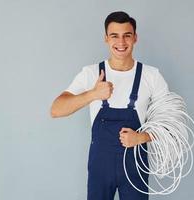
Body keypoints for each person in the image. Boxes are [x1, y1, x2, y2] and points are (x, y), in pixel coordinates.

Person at [50, 11, 169, 200]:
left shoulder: (152, 76)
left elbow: (171, 125)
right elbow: (56, 109)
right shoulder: (91, 73)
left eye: (126, 35)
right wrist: (93, 94)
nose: (121, 42)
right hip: (100, 167)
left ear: (135, 38)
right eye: (114, 36)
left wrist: (141, 137)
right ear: (106, 38)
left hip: (135, 167)